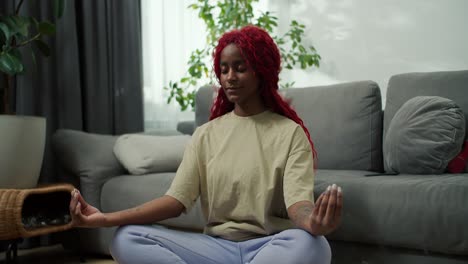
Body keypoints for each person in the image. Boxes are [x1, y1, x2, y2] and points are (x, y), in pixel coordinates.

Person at [69, 25, 343, 264]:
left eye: (240, 68)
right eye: (223, 70)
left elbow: (298, 204)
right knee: (126, 238)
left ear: (261, 70)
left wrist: (313, 222)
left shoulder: (290, 133)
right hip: (215, 249)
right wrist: (105, 218)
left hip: (270, 247)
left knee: (313, 245)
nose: (229, 77)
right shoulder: (206, 135)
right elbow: (175, 201)